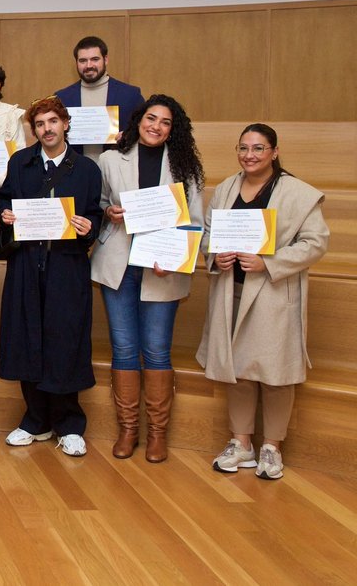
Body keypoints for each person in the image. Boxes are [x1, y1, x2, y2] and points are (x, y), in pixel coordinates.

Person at [198, 123, 329, 480]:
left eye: (258, 148)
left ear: (273, 151)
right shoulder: (226, 188)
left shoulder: (297, 193)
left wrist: (269, 263)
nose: (250, 155)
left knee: (275, 374)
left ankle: (271, 447)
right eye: (243, 148)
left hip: (272, 293)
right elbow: (208, 235)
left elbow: (315, 243)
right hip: (232, 291)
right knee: (237, 370)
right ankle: (242, 443)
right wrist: (215, 256)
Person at [90, 95, 205, 463]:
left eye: (165, 122)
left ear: (174, 129)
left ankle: (157, 434)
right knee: (124, 349)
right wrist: (109, 211)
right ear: (138, 121)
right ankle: (128, 430)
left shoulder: (186, 169)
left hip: (163, 269)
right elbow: (98, 206)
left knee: (156, 350)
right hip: (120, 266)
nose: (156, 126)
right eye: (150, 118)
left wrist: (175, 258)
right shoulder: (110, 159)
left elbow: (196, 223)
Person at [0, 95, 102, 457]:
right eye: (39, 124)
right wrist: (7, 217)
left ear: (65, 124)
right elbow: (5, 205)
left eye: (52, 122)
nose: (46, 129)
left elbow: (93, 217)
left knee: (64, 340)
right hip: (27, 264)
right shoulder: (20, 162)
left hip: (66, 268)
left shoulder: (86, 169)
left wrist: (89, 226)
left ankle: (69, 423)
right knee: (28, 338)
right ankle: (35, 420)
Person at [54, 36, 145, 161]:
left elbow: (146, 131)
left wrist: (131, 135)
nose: (89, 65)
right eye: (83, 61)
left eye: (95, 59)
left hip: (118, 170)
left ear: (106, 59)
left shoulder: (130, 95)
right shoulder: (61, 98)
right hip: (76, 173)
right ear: (76, 63)